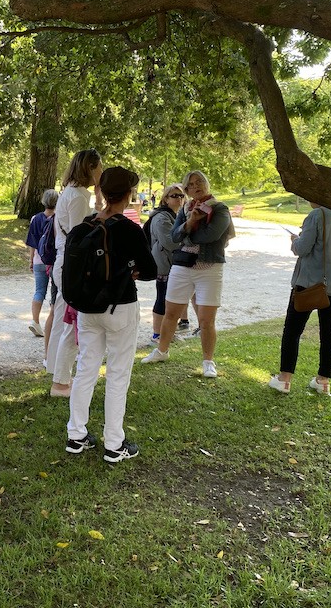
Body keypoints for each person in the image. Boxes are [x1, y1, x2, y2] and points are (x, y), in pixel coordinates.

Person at [66, 167, 154, 464]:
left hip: (87, 309)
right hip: (121, 307)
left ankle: (76, 435)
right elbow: (151, 270)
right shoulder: (130, 229)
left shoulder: (85, 226)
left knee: (86, 369)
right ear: (129, 194)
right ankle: (114, 443)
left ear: (101, 192)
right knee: (118, 375)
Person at [143, 170, 232, 378]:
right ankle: (161, 351)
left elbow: (210, 236)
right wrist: (189, 223)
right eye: (191, 184)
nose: (196, 186)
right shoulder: (185, 209)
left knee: (206, 319)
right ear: (187, 190)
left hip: (210, 268)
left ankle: (208, 361)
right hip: (183, 266)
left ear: (207, 184)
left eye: (200, 181)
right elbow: (174, 236)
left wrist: (187, 233)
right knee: (171, 312)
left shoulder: (220, 209)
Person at [268, 203, 331, 395]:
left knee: (293, 329)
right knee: (329, 332)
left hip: (310, 283)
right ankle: (323, 381)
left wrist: (294, 239)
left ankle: (284, 379)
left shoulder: (317, 215)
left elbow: (302, 248)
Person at [46, 149, 103, 397]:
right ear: (90, 168)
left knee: (63, 318)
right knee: (71, 322)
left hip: (64, 263)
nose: (101, 171)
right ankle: (60, 382)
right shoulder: (78, 196)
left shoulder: (72, 193)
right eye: (99, 166)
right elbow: (81, 238)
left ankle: (57, 374)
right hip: (72, 265)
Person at [145, 184, 184, 346]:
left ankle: (167, 333)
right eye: (174, 196)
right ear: (165, 199)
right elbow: (170, 242)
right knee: (163, 298)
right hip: (164, 264)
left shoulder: (173, 215)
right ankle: (157, 334)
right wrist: (189, 239)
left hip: (170, 263)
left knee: (170, 299)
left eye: (181, 196)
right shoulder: (162, 217)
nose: (179, 199)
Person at [24, 189, 58, 339]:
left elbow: (32, 243)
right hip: (55, 261)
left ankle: (35, 321)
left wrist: (31, 259)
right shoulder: (59, 219)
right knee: (55, 292)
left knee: (39, 291)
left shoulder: (35, 219)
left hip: (39, 259)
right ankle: (53, 322)